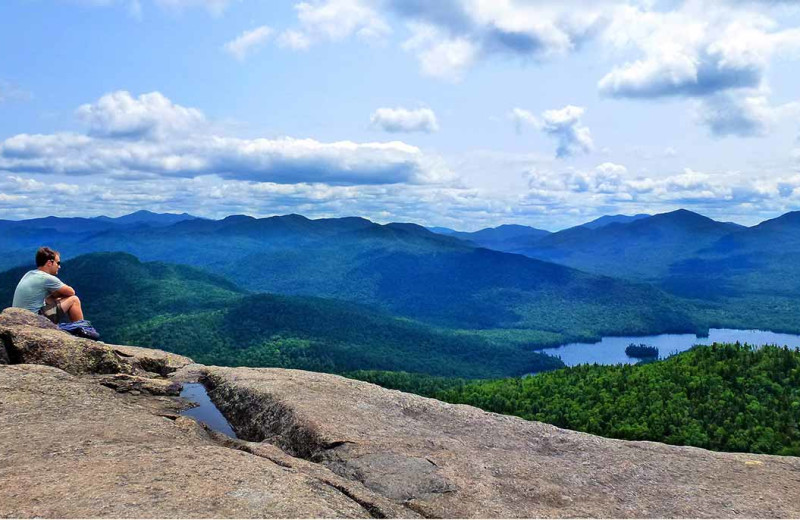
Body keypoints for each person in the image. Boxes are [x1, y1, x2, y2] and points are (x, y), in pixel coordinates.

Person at [12, 246, 84, 324]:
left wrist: (55, 295)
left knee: (50, 299)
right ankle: (82, 329)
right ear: (49, 263)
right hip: (33, 320)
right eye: (58, 263)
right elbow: (71, 292)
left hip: (18, 318)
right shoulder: (46, 278)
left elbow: (48, 299)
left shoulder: (29, 274)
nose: (59, 267)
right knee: (74, 299)